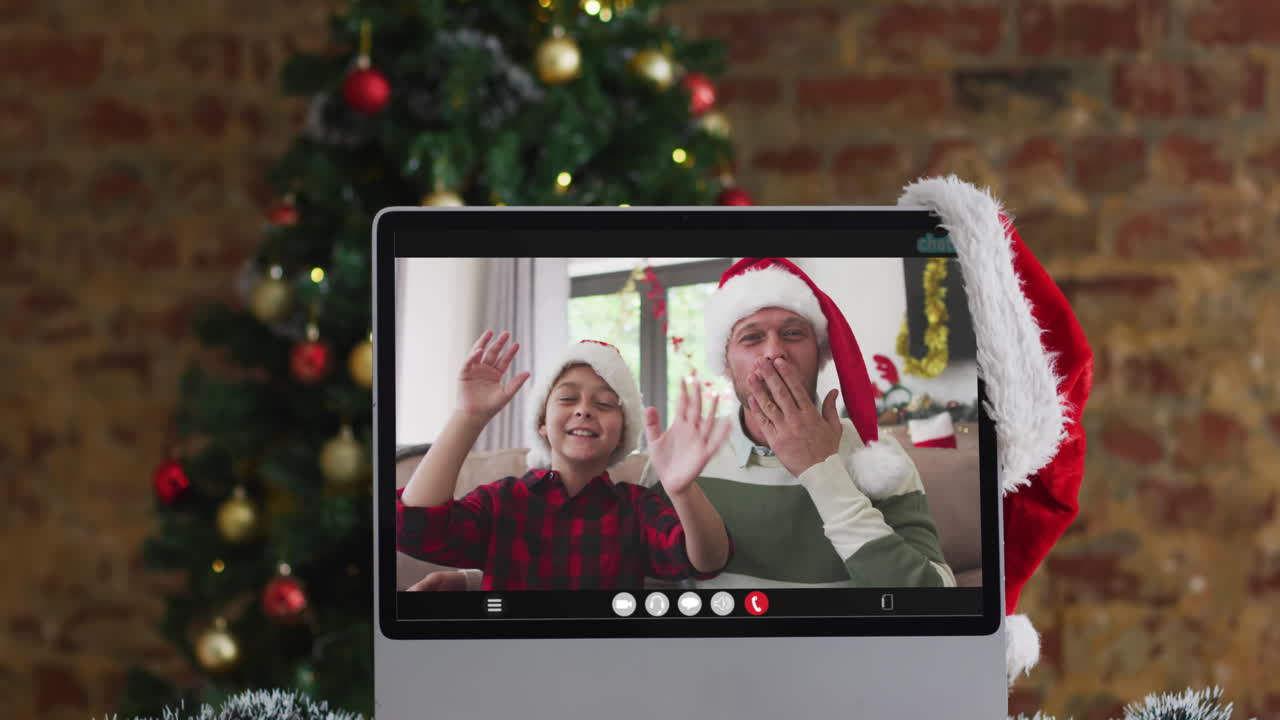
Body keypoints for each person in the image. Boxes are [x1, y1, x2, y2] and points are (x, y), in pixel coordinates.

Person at [635, 257, 956, 589]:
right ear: (726, 364)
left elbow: (936, 599)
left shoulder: (878, 458)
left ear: (820, 357)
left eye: (793, 334)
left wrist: (822, 472)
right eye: (751, 338)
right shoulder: (681, 454)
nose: (774, 352)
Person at [396, 331, 733, 590]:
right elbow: (416, 530)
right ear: (542, 423)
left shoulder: (637, 507)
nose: (584, 409)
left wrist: (683, 489)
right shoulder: (503, 501)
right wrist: (467, 417)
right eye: (568, 398)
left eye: (604, 403)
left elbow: (706, 561)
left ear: (622, 433)